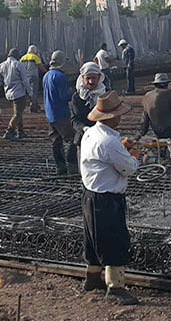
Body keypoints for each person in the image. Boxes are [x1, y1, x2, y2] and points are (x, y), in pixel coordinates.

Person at [79, 91, 140, 305]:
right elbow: (128, 169)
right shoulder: (109, 142)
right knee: (114, 241)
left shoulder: (90, 134)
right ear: (111, 117)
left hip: (90, 195)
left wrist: (122, 149)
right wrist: (132, 157)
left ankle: (93, 278)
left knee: (94, 239)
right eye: (119, 114)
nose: (121, 117)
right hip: (107, 198)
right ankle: (115, 287)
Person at [44, 50, 76, 175]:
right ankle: (72, 165)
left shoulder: (47, 75)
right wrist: (74, 93)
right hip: (61, 113)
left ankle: (60, 167)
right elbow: (63, 96)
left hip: (50, 114)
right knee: (74, 138)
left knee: (56, 141)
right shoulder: (60, 76)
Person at [72, 61, 109, 156]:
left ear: (99, 77)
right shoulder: (77, 97)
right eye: (88, 78)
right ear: (82, 78)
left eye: (94, 78)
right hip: (83, 139)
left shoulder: (106, 95)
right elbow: (74, 119)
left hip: (103, 138)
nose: (91, 82)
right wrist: (84, 128)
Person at [0, 48, 29, 140]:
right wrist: (30, 92)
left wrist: (5, 83)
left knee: (17, 113)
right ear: (17, 56)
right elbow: (25, 81)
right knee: (18, 114)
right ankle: (9, 131)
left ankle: (20, 131)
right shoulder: (19, 65)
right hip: (19, 93)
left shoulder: (1, 65)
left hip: (8, 94)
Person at [19, 45, 46, 112]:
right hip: (33, 77)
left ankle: (35, 105)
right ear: (35, 51)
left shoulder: (22, 58)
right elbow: (40, 66)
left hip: (25, 77)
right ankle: (33, 108)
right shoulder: (35, 57)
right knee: (34, 92)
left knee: (28, 93)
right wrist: (47, 72)